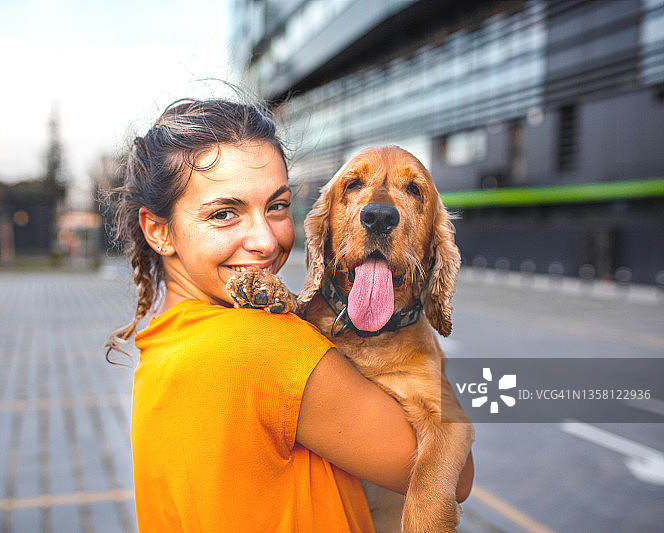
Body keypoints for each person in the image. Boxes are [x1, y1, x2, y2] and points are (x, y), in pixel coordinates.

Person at [106, 97, 473, 532]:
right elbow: (461, 475)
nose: (264, 240)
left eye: (277, 207)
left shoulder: (164, 342)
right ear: (159, 230)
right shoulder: (268, 346)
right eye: (224, 213)